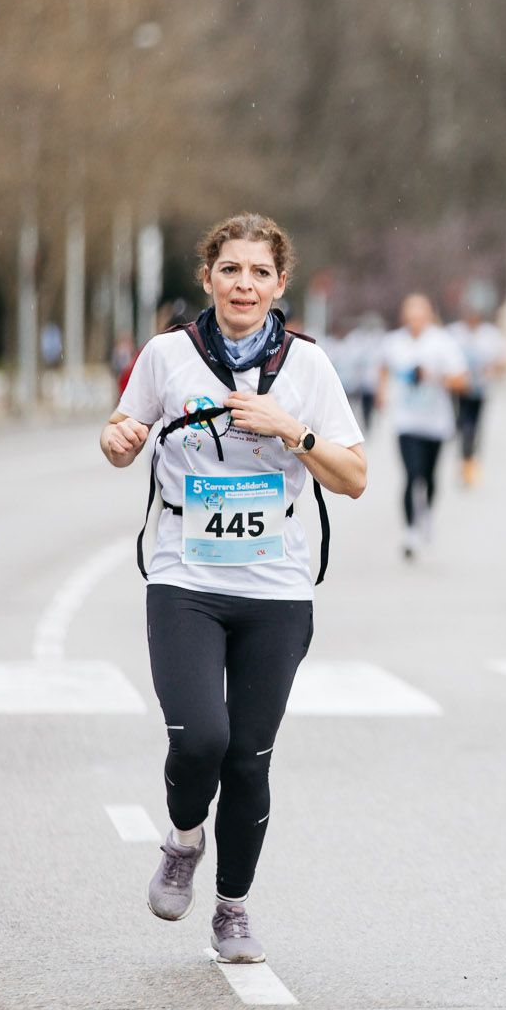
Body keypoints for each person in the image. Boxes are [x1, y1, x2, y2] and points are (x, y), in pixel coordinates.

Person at [99, 214, 368, 965]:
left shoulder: (308, 368)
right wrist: (117, 437)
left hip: (277, 588)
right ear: (208, 279)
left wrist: (293, 431)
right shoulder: (167, 356)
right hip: (185, 578)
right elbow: (123, 428)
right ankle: (186, 838)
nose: (243, 284)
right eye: (230, 270)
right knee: (201, 737)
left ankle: (233, 907)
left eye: (258, 272)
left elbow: (354, 477)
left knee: (249, 757)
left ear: (280, 284)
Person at [378, 294, 470, 561]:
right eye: (410, 314)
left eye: (420, 314)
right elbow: (383, 367)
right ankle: (410, 532)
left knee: (429, 477)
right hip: (405, 421)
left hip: (435, 423)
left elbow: (462, 381)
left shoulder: (442, 343)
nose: (415, 320)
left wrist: (434, 376)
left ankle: (426, 513)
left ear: (429, 315)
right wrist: (382, 392)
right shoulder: (394, 342)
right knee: (411, 475)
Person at [450, 305, 506, 487]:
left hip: (480, 390)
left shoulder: (490, 336)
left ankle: (470, 461)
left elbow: (502, 361)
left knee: (473, 427)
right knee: (461, 426)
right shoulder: (455, 333)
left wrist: (491, 369)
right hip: (460, 390)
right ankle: (465, 458)